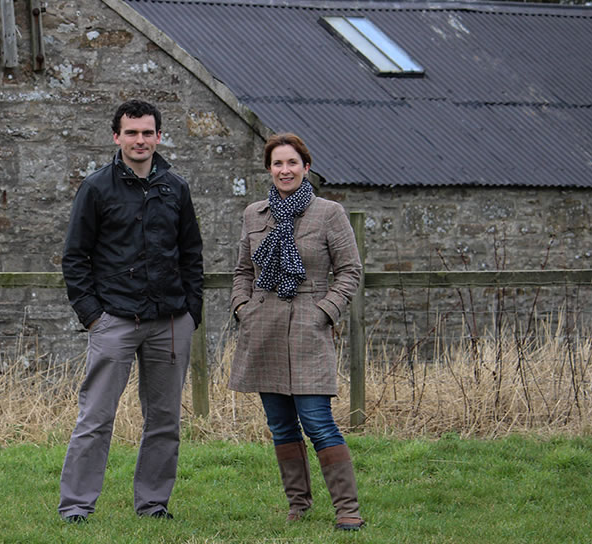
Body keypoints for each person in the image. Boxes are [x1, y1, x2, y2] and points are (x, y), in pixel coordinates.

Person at [58, 100, 204, 523]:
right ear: (116, 136)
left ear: (158, 136)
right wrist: (92, 315)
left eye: (147, 133)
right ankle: (76, 508)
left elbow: (192, 254)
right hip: (115, 321)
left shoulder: (175, 188)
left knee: (164, 421)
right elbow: (75, 257)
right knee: (95, 419)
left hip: (171, 322)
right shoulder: (97, 188)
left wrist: (190, 311)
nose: (140, 140)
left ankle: (154, 505)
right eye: (131, 133)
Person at [228, 132, 365, 531]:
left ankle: (347, 509)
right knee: (281, 425)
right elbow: (241, 270)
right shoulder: (254, 214)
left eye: (292, 163)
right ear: (269, 170)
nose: (284, 170)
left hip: (308, 328)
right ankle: (298, 505)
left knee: (318, 421)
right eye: (277, 164)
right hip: (264, 328)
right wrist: (243, 307)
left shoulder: (328, 213)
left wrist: (324, 311)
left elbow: (350, 271)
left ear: (306, 167)